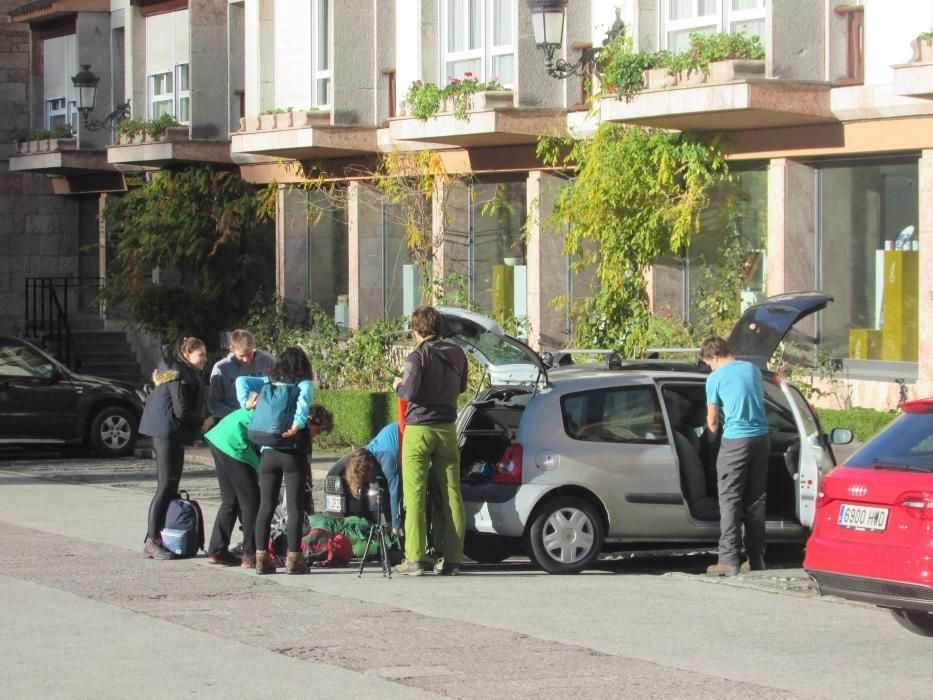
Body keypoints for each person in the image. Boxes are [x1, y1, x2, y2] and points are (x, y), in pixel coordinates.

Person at [203, 401, 333, 568]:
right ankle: (250, 555)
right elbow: (270, 450)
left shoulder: (284, 409)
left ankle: (217, 550)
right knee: (252, 503)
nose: (316, 436)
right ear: (309, 419)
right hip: (235, 442)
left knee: (231, 500)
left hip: (220, 436)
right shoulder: (290, 420)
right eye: (319, 430)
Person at [392, 305, 468, 576]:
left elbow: (408, 392)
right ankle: (453, 558)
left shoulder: (417, 356)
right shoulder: (457, 353)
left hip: (419, 430)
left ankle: (414, 557)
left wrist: (397, 384)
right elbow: (461, 388)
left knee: (414, 495)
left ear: (416, 330)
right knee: (451, 493)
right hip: (447, 429)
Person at [236, 347, 314, 575]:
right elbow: (303, 405)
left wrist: (245, 403)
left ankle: (261, 557)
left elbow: (241, 380)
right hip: (291, 452)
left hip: (268, 452)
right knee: (294, 508)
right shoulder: (303, 383)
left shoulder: (268, 381)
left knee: (266, 505)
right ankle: (294, 559)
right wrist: (298, 424)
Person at [700, 336, 771, 577]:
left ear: (715, 356)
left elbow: (712, 420)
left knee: (729, 499)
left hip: (736, 440)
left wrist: (710, 446)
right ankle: (756, 557)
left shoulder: (715, 378)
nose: (710, 367)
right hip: (762, 439)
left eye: (709, 363)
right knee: (755, 500)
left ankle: (728, 559)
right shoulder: (753, 370)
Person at [139, 336, 212, 560]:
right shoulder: (180, 376)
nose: (204, 360)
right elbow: (181, 411)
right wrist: (202, 422)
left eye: (205, 355)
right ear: (187, 355)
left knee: (171, 485)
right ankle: (152, 541)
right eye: (200, 355)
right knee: (165, 486)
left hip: (170, 432)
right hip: (165, 433)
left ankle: (160, 536)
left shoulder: (184, 373)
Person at [208, 329, 274, 419]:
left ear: (253, 347)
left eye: (249, 354)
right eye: (241, 356)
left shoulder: (267, 361)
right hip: (233, 419)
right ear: (232, 349)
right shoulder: (221, 368)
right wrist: (235, 415)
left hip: (263, 418)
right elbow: (214, 402)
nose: (246, 359)